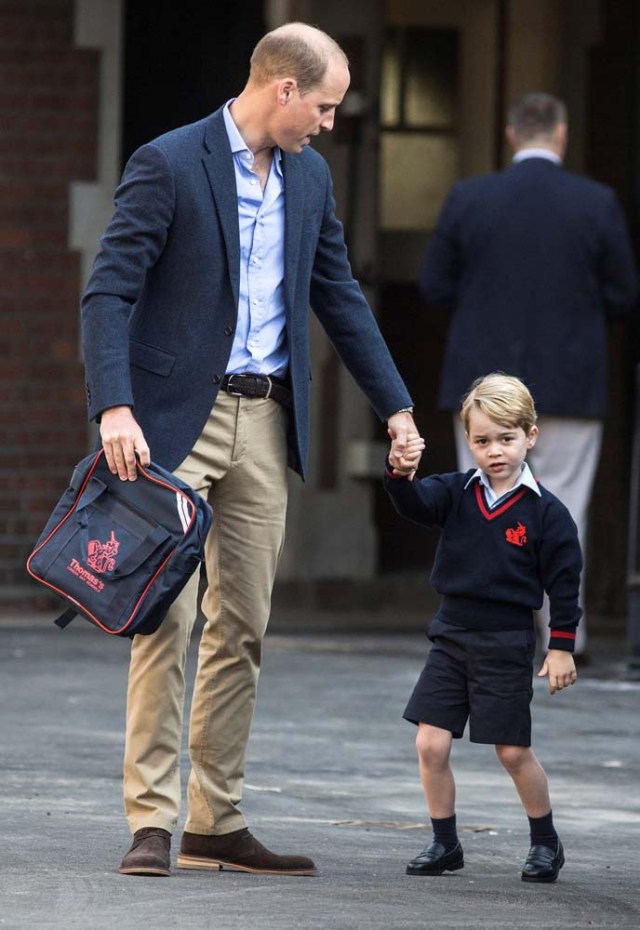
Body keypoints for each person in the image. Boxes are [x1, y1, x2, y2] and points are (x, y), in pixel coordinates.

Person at [81, 22, 418, 877]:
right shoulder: (168, 162)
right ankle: (152, 819)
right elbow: (109, 290)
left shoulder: (309, 178)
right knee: (166, 614)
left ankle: (214, 817)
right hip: (172, 421)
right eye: (328, 107)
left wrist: (398, 409)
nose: (333, 124)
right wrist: (114, 407)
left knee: (245, 626)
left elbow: (339, 296)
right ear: (284, 91)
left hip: (266, 422)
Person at [419, 92, 637, 661]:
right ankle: (567, 638)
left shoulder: (470, 197)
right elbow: (623, 294)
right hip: (568, 381)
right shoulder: (596, 202)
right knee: (563, 509)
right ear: (561, 136)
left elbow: (435, 285)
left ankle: (487, 631)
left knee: (484, 508)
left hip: (485, 393)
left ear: (512, 135)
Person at [384, 373, 581, 883]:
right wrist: (400, 474)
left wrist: (561, 647)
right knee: (430, 743)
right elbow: (414, 505)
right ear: (468, 439)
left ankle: (545, 842)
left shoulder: (548, 514)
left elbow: (564, 584)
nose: (494, 451)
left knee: (512, 750)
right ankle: (445, 843)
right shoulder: (456, 491)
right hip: (451, 635)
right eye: (482, 440)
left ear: (530, 436)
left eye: (506, 438)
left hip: (507, 641)